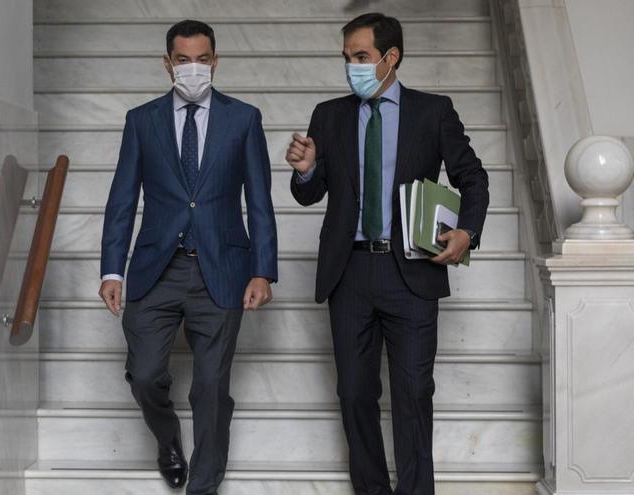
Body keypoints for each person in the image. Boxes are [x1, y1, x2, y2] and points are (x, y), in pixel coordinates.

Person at [285, 12, 489, 495]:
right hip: (349, 272)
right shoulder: (328, 115)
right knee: (354, 393)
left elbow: (473, 178)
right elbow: (309, 196)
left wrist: (466, 232)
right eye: (347, 58)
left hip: (412, 273)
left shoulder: (432, 111)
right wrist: (308, 170)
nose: (351, 67)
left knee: (414, 394)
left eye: (361, 57)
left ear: (390, 57)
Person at [99, 19, 278, 495]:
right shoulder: (142, 120)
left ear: (215, 62)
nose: (193, 68)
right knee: (146, 375)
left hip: (222, 268)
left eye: (202, 59)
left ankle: (203, 485)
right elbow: (122, 199)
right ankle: (167, 439)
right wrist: (112, 269)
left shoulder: (243, 118)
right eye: (183, 59)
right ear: (168, 64)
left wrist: (263, 269)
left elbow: (259, 201)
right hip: (156, 269)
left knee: (211, 389)